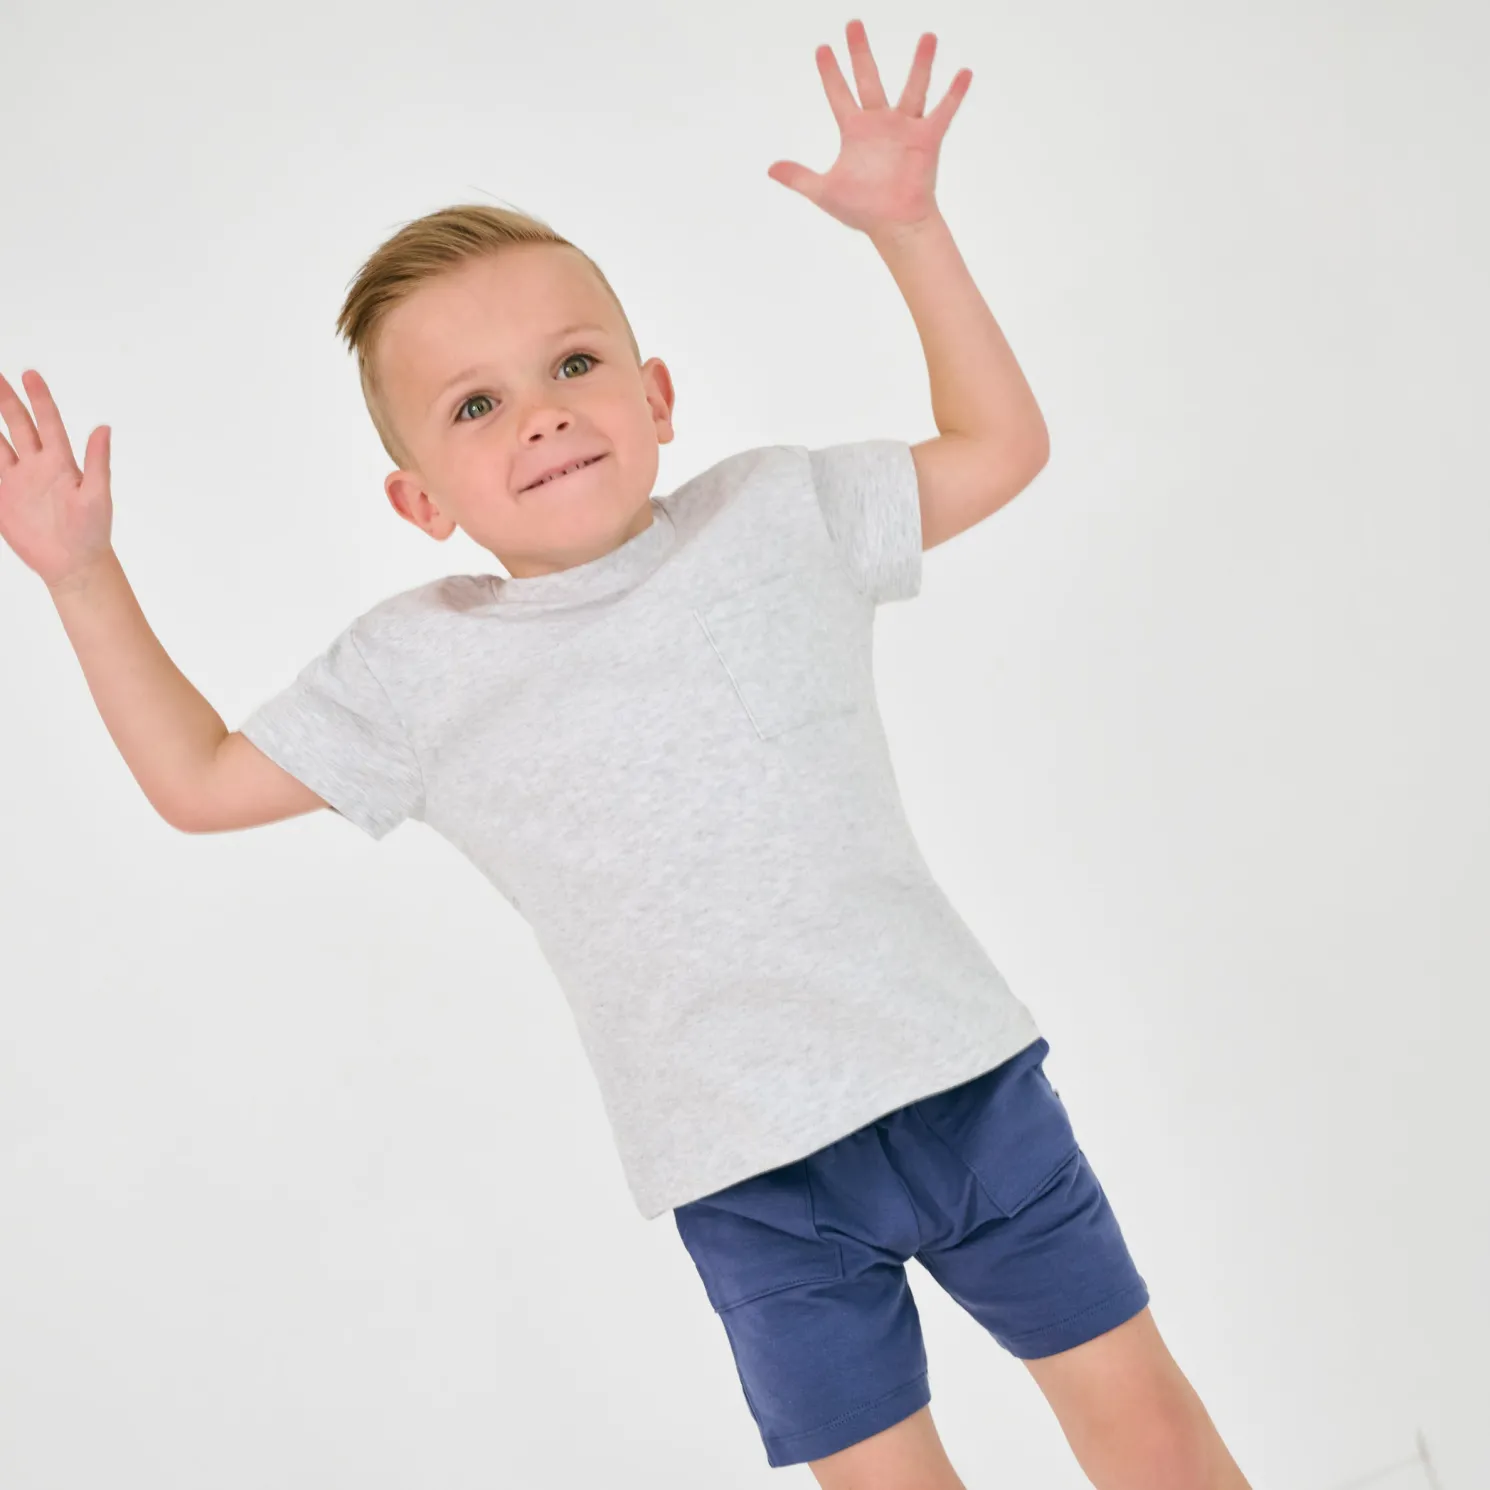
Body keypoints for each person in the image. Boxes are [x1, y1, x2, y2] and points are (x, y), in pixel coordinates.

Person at [0, 21, 1253, 1490]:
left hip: (960, 1081)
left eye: (573, 363)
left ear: (656, 397)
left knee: (1149, 1432)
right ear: (419, 498)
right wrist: (82, 577)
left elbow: (998, 444)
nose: (541, 412)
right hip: (747, 1178)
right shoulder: (419, 666)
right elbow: (199, 781)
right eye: (476, 404)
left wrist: (906, 229)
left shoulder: (776, 512)